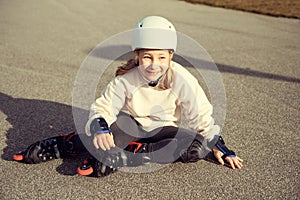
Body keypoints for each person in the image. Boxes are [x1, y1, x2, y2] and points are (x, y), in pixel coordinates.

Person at [13, 16, 243, 177]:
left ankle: (127, 156)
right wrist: (100, 128)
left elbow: (201, 116)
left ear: (171, 56)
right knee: (113, 135)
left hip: (162, 129)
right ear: (137, 55)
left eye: (162, 57)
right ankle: (65, 145)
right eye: (147, 57)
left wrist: (219, 146)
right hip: (129, 124)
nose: (154, 65)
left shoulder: (183, 79)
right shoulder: (126, 79)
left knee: (195, 147)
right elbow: (103, 108)